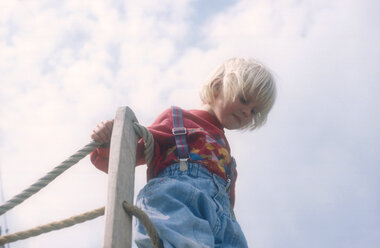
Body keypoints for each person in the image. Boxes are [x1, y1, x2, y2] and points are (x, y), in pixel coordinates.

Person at [90, 57, 277, 247]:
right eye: (243, 100)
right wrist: (106, 141)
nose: (247, 112)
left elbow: (228, 205)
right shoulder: (178, 119)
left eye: (254, 111)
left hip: (221, 219)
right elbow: (129, 155)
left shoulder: (227, 156)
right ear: (217, 87)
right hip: (180, 202)